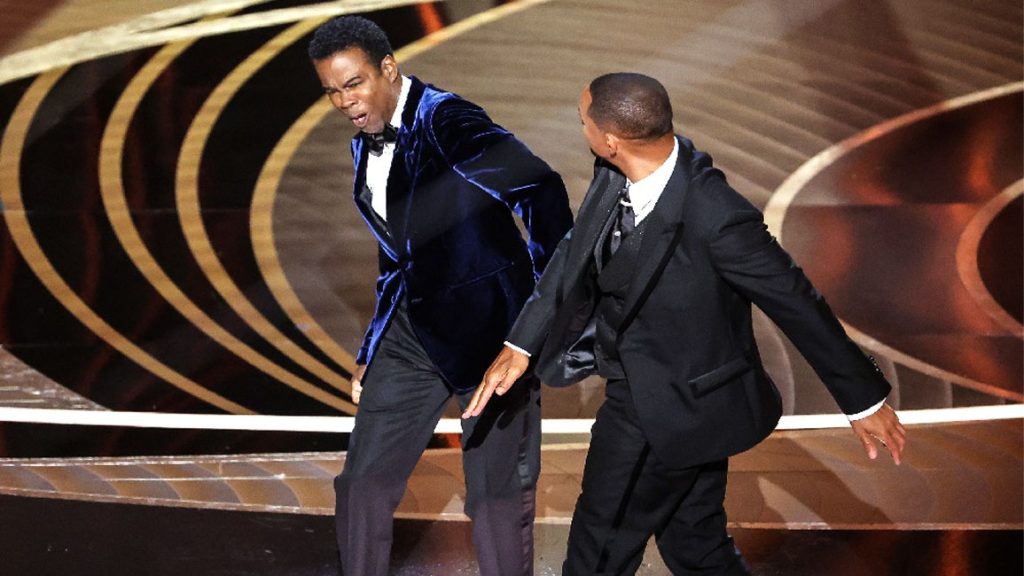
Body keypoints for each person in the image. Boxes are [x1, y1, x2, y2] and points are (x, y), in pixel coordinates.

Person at [464, 72, 906, 575]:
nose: (581, 128)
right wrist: (521, 343)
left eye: (583, 121)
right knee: (696, 548)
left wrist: (863, 399)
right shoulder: (614, 171)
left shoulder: (717, 215)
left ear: (611, 139)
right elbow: (575, 250)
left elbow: (796, 302)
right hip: (677, 403)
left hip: (664, 406)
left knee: (597, 552)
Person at [308, 16, 573, 576]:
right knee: (361, 484)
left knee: (496, 501)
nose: (345, 101)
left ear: (387, 68)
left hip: (490, 338)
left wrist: (538, 317)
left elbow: (541, 189)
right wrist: (373, 344)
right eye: (332, 91)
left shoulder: (448, 120)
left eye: (353, 84)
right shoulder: (364, 143)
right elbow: (397, 253)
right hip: (412, 334)